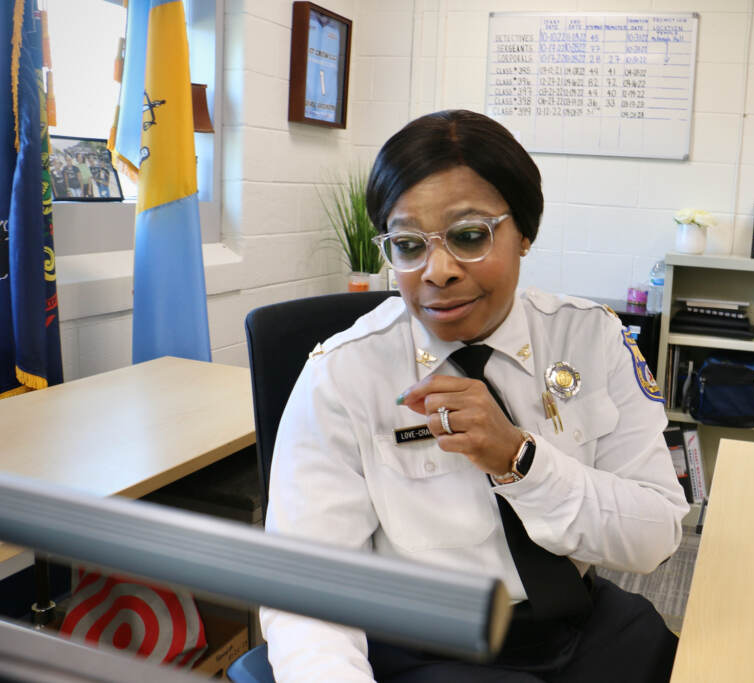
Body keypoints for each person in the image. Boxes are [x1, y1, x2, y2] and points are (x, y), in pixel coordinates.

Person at [261, 109, 689, 682]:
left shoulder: (591, 338)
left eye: (469, 237)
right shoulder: (343, 375)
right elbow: (305, 594)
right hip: (427, 649)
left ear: (525, 233)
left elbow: (655, 538)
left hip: (578, 621)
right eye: (409, 245)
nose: (437, 271)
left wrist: (522, 461)